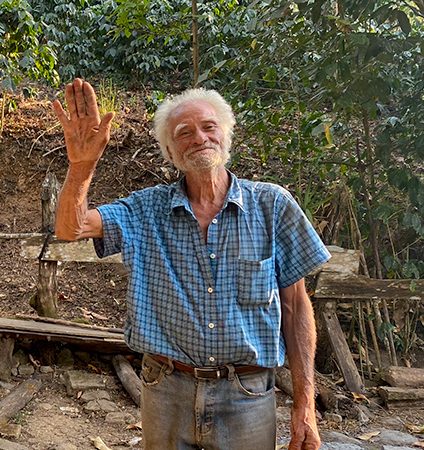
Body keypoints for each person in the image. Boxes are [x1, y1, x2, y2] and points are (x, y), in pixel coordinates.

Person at [52, 78, 330, 450]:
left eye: (209, 126)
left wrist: (305, 403)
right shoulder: (147, 209)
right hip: (166, 390)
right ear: (170, 151)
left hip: (246, 394)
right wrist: (81, 166)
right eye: (184, 132)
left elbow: (295, 308)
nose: (199, 137)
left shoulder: (273, 206)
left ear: (226, 135)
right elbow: (70, 228)